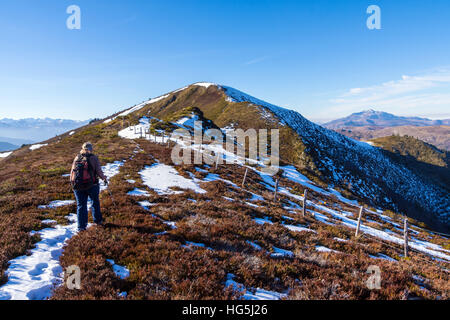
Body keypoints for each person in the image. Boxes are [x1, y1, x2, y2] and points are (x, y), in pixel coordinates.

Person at [70, 142, 108, 231]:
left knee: (81, 206)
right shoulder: (93, 158)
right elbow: (99, 171)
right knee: (95, 202)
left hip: (78, 186)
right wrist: (104, 179)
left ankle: (81, 227)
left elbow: (72, 171)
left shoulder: (77, 158)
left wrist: (73, 183)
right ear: (91, 149)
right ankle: (97, 222)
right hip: (92, 185)